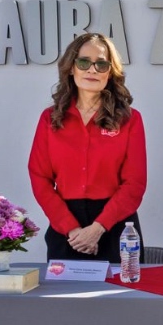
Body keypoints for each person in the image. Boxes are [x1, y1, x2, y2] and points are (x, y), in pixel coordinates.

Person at [29, 33, 146, 263]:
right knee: (64, 300)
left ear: (110, 72)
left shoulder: (130, 120)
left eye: (101, 64)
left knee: (120, 299)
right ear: (71, 68)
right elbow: (39, 178)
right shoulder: (50, 119)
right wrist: (72, 230)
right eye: (84, 62)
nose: (92, 70)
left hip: (116, 228)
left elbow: (135, 183)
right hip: (67, 231)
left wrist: (97, 229)